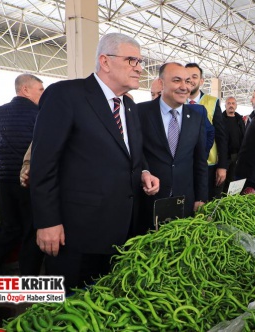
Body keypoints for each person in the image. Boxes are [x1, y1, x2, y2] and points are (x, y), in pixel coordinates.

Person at [29, 33, 160, 291]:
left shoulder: (130, 107)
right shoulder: (66, 95)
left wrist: (144, 170)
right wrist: (47, 222)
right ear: (105, 61)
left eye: (140, 61)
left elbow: (131, 152)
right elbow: (44, 163)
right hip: (77, 232)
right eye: (132, 60)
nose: (139, 68)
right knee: (71, 306)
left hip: (122, 230)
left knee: (106, 303)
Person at [0, 74, 45, 276]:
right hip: (29, 180)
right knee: (32, 230)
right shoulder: (41, 114)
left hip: (1, 181)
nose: (43, 94)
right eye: (40, 89)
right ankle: (28, 280)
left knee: (9, 230)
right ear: (25, 90)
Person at [137, 63, 208, 217]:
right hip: (149, 199)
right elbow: (135, 151)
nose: (184, 87)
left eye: (188, 81)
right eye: (177, 80)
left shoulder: (197, 118)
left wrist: (201, 197)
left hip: (184, 200)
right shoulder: (140, 112)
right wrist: (144, 171)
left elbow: (200, 161)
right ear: (161, 83)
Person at [185, 63, 228, 201]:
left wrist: (222, 166)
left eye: (194, 76)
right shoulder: (177, 101)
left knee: (205, 201)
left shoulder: (212, 102)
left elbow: (221, 136)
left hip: (208, 163)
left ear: (201, 81)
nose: (190, 80)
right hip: (183, 162)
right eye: (187, 77)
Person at [222, 96, 245, 191]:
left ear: (236, 106)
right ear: (225, 105)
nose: (231, 105)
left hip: (237, 155)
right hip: (224, 156)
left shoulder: (240, 120)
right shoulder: (220, 119)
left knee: (234, 180)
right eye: (229, 103)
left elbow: (244, 136)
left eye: (233, 103)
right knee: (222, 180)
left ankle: (231, 199)